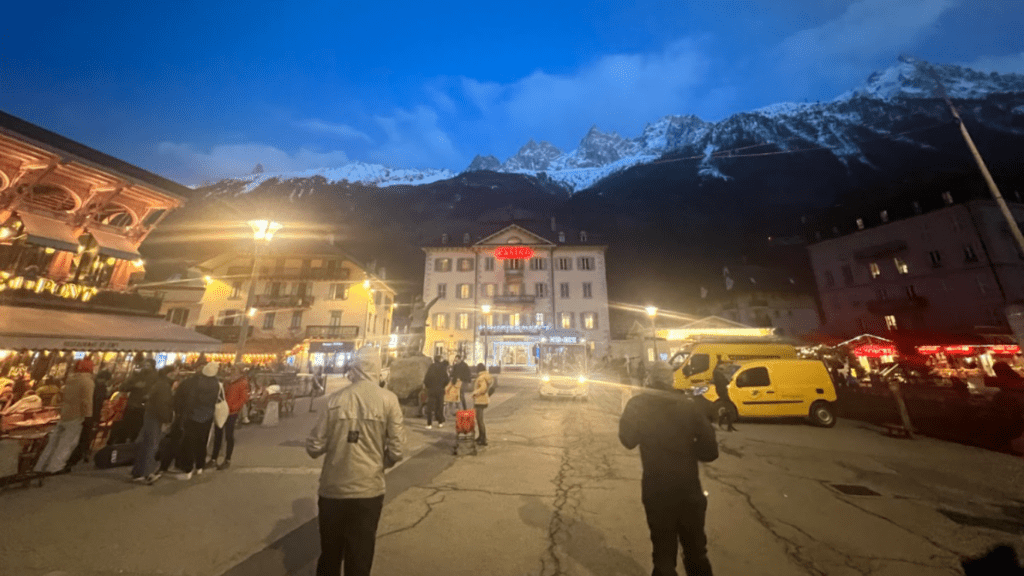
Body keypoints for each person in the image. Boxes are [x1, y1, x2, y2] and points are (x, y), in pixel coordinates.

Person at [307, 346, 405, 576]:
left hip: (333, 489)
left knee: (330, 554)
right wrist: (382, 464)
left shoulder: (334, 400)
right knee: (360, 556)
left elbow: (314, 447)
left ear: (355, 367)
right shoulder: (388, 400)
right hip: (368, 490)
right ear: (378, 368)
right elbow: (398, 449)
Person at [619, 361, 718, 576]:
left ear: (649, 379)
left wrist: (629, 415)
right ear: (671, 379)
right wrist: (690, 449)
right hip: (688, 489)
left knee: (663, 555)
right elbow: (710, 451)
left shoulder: (638, 404)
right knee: (696, 552)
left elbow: (627, 440)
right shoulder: (689, 405)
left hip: (657, 490)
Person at [34, 359, 95, 474]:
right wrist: (88, 416)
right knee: (67, 443)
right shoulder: (87, 382)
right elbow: (86, 401)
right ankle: (55, 467)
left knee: (53, 442)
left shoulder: (71, 379)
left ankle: (41, 465)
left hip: (65, 413)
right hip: (76, 415)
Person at [131, 365, 177, 483]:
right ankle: (146, 474)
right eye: (175, 373)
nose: (177, 375)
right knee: (151, 445)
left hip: (150, 415)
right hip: (156, 418)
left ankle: (138, 472)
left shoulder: (159, 383)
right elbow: (162, 405)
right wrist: (167, 420)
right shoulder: (164, 386)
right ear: (169, 374)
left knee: (146, 444)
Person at [174, 361, 220, 480]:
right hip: (207, 416)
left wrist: (183, 414)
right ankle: (200, 466)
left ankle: (188, 469)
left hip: (193, 416)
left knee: (189, 443)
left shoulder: (195, 382)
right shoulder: (216, 384)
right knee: (202, 442)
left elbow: (189, 399)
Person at [210, 365, 250, 470]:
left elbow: (243, 398)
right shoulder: (228, 382)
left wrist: (233, 407)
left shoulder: (242, 383)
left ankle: (227, 459)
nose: (232, 372)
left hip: (232, 413)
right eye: (232, 370)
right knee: (217, 434)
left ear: (240, 372)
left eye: (234, 370)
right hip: (222, 410)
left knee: (229, 436)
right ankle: (214, 458)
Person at [110, 360, 157, 444]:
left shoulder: (156, 378)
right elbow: (122, 387)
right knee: (125, 429)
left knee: (136, 431)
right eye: (145, 365)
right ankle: (121, 446)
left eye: (148, 365)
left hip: (143, 408)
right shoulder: (137, 375)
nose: (146, 367)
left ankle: (130, 446)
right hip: (132, 405)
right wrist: (134, 385)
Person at [422, 356, 448, 429]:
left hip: (432, 390)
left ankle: (429, 424)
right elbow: (447, 379)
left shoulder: (431, 367)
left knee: (430, 407)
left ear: (434, 360)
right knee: (440, 406)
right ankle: (440, 422)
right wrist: (443, 385)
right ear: (440, 360)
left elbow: (426, 379)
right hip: (440, 390)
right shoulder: (442, 368)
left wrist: (428, 386)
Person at [711, 361, 737, 432]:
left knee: (727, 409)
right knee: (729, 409)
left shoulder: (717, 372)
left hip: (722, 391)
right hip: (722, 392)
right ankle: (727, 427)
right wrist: (728, 381)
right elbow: (723, 382)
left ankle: (725, 426)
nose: (725, 366)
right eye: (723, 365)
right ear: (720, 365)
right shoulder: (717, 373)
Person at [473, 364, 493, 446]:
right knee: (479, 419)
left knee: (480, 420)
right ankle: (481, 437)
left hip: (480, 400)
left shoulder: (481, 377)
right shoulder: (486, 376)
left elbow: (483, 388)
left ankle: (483, 439)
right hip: (484, 400)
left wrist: (475, 393)